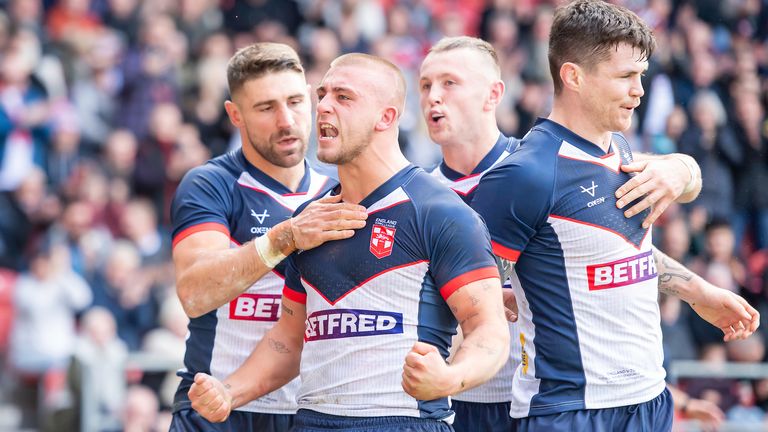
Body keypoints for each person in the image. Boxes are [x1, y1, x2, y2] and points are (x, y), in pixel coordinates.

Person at [470, 1, 760, 431]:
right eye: (625, 76)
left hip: (648, 399)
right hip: (571, 410)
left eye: (641, 76)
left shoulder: (620, 149)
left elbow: (621, 249)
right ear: (574, 77)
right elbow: (468, 284)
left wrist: (697, 290)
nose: (639, 90)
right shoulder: (527, 173)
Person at [187, 53, 510, 431]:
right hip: (311, 421)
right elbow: (289, 340)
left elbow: (489, 330)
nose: (322, 106)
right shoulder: (309, 221)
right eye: (321, 95)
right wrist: (229, 392)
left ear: (385, 117)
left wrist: (450, 378)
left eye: (343, 97)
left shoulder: (438, 211)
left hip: (401, 420)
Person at [419, 35, 710, 432]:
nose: (434, 97)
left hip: (534, 398)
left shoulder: (538, 170)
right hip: (462, 398)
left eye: (449, 83)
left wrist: (682, 168)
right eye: (425, 85)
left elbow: (611, 256)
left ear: (494, 94)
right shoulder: (419, 195)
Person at [169, 43, 368, 431]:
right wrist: (284, 238)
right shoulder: (211, 184)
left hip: (309, 411)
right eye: (266, 108)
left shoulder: (341, 191)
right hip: (215, 407)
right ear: (235, 115)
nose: (286, 120)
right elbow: (195, 293)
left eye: (295, 101)